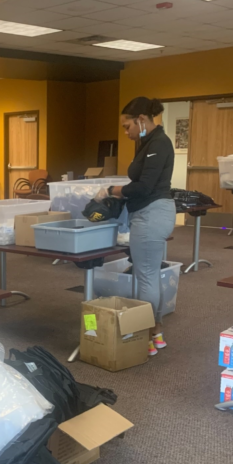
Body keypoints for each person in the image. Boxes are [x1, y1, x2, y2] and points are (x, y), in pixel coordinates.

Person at [103, 97, 176, 357]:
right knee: (149, 275)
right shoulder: (147, 142)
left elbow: (144, 186)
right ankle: (155, 333)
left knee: (146, 276)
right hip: (150, 213)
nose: (126, 132)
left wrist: (112, 190)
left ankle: (144, 338)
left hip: (151, 214)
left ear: (141, 120)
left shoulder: (158, 143)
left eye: (127, 126)